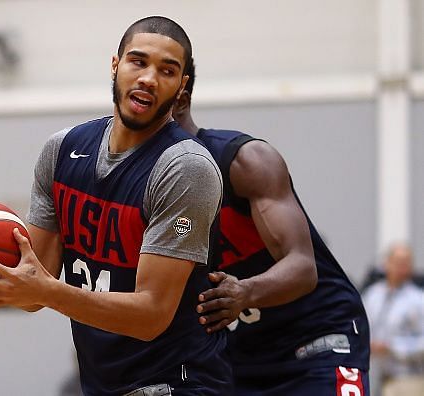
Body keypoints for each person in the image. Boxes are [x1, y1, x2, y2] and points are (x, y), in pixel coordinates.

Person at [0, 17, 232, 395]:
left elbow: (151, 316)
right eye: (138, 61)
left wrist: (47, 292)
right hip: (104, 383)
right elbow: (30, 289)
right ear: (115, 65)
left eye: (167, 70)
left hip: (178, 383)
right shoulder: (62, 150)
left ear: (181, 86)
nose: (149, 78)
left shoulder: (185, 169)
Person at [172, 62, 370, 395]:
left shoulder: (244, 161)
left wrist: (244, 292)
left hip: (315, 338)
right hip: (240, 356)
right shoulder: (149, 192)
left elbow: (302, 268)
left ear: (181, 97)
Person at [362, 243, 424, 396]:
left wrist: (393, 348)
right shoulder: (373, 295)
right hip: (374, 374)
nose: (401, 269)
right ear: (386, 263)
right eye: (397, 263)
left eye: (406, 264)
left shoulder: (418, 300)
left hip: (408, 378)